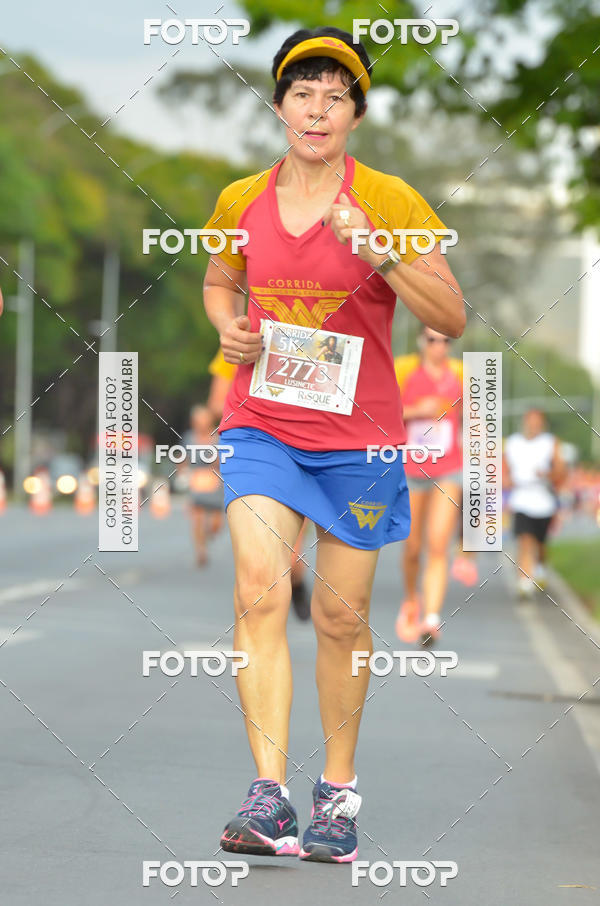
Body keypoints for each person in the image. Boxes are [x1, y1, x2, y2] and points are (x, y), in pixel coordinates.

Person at [202, 26, 464, 862]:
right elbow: (218, 277)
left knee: (342, 621)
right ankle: (268, 796)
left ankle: (336, 795)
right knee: (259, 587)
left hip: (360, 441)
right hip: (263, 424)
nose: (318, 109)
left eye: (336, 96)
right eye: (303, 93)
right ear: (279, 106)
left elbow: (450, 317)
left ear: (355, 113)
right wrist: (231, 328)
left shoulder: (390, 198)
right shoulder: (241, 196)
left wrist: (382, 254)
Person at [209, 348, 312, 619]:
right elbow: (216, 403)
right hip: (258, 453)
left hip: (307, 454)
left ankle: (297, 584)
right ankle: (260, 618)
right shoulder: (242, 339)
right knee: (259, 568)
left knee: (291, 556)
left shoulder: (310, 340)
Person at [394, 328, 464, 647]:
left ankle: (432, 618)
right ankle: (411, 598)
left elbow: (475, 421)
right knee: (412, 548)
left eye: (446, 340)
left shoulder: (461, 376)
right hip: (411, 467)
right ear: (422, 341)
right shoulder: (405, 371)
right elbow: (383, 413)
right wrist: (418, 410)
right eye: (433, 339)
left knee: (438, 544)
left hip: (449, 467)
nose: (440, 346)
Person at [503, 409, 566, 598]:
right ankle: (524, 581)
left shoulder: (550, 442)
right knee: (525, 540)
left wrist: (547, 474)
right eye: (531, 421)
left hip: (544, 501)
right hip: (521, 500)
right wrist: (506, 480)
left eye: (537, 421)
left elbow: (560, 471)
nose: (533, 425)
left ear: (543, 424)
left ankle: (540, 566)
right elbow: (503, 470)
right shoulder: (513, 443)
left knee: (540, 544)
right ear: (525, 422)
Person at [184, 405, 224, 566]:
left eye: (204, 419)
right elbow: (183, 457)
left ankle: (209, 534)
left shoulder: (219, 437)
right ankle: (201, 550)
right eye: (198, 420)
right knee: (197, 518)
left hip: (216, 483)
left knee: (215, 524)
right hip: (196, 482)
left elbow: (226, 458)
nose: (201, 423)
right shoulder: (189, 438)